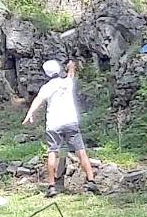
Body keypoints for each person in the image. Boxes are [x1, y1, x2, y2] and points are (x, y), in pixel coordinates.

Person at [22, 59, 99, 197]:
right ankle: (91, 181)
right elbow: (71, 73)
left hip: (54, 124)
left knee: (53, 153)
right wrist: (71, 65)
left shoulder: (46, 87)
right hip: (70, 122)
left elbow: (37, 101)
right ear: (59, 70)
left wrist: (29, 114)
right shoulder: (67, 82)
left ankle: (52, 187)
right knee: (81, 151)